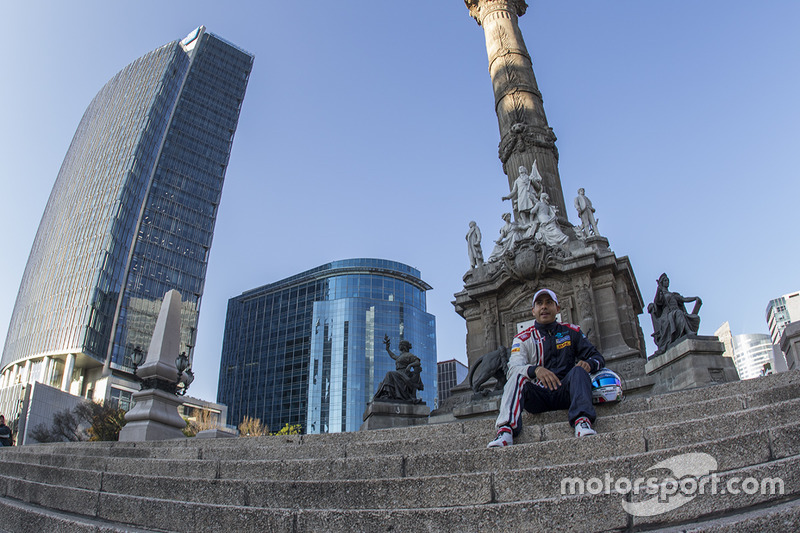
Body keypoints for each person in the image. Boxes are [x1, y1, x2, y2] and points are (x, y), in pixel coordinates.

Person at [488, 289, 605, 447]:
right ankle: (505, 431)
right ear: (533, 311)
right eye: (539, 303)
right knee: (516, 378)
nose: (544, 307)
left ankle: (582, 421)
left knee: (579, 370)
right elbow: (513, 369)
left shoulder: (572, 332)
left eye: (549, 302)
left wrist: (589, 364)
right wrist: (535, 370)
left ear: (557, 308)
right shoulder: (522, 338)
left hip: (567, 392)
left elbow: (597, 357)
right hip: (538, 396)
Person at [648, 273, 702, 355]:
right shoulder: (662, 295)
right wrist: (658, 289)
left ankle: (686, 332)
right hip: (667, 315)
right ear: (662, 282)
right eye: (665, 280)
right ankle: (688, 331)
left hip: (676, 312)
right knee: (678, 313)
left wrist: (695, 298)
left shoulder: (674, 294)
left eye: (668, 280)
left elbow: (684, 299)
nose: (667, 282)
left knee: (695, 317)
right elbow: (657, 302)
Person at [374, 335, 424, 402]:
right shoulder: (401, 356)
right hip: (398, 374)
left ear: (404, 346)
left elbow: (417, 362)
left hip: (404, 374)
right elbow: (393, 356)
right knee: (382, 382)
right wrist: (388, 349)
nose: (399, 346)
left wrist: (410, 365)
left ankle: (388, 395)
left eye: (400, 344)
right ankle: (386, 394)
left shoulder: (409, 355)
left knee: (389, 374)